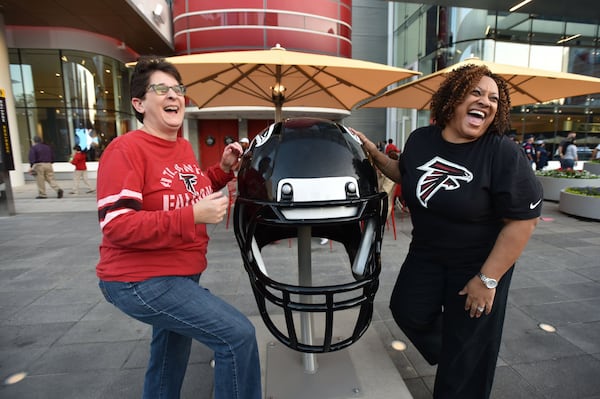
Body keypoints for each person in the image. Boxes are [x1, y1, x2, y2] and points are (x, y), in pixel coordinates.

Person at [352, 64, 542, 399]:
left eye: (494, 98)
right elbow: (406, 173)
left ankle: (465, 359)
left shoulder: (502, 153)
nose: (486, 101)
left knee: (463, 370)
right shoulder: (421, 139)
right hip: (427, 252)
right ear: (453, 98)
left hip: (480, 262)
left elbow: (522, 223)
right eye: (477, 92)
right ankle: (461, 352)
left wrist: (488, 280)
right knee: (407, 310)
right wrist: (373, 152)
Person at [96, 56, 262, 399]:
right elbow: (117, 224)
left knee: (170, 356)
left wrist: (223, 169)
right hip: (140, 279)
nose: (174, 96)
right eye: (162, 89)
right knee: (237, 336)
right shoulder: (125, 149)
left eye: (178, 89)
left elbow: (192, 190)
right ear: (139, 103)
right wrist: (192, 217)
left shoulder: (182, 147)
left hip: (181, 274)